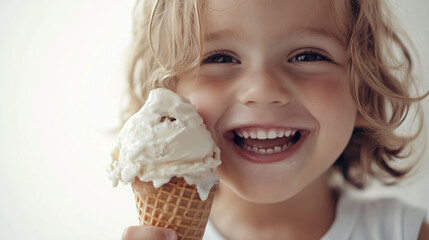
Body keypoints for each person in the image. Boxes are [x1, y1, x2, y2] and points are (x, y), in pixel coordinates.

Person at [120, 0, 429, 239]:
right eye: (220, 58)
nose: (263, 90)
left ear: (364, 88)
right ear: (167, 97)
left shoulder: (405, 232)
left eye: (307, 56)